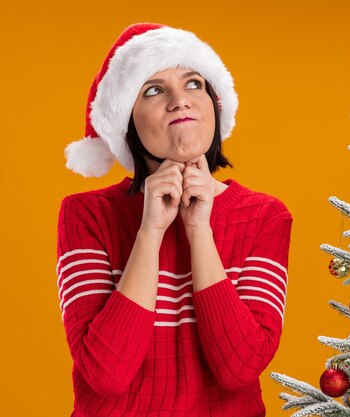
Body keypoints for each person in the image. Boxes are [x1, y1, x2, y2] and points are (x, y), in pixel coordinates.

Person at [56, 23, 293, 417]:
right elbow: (106, 374)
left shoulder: (264, 215)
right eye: (153, 89)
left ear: (215, 106)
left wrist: (198, 229)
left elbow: (240, 369)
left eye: (194, 84)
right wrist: (150, 231)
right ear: (127, 122)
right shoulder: (87, 215)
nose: (179, 101)